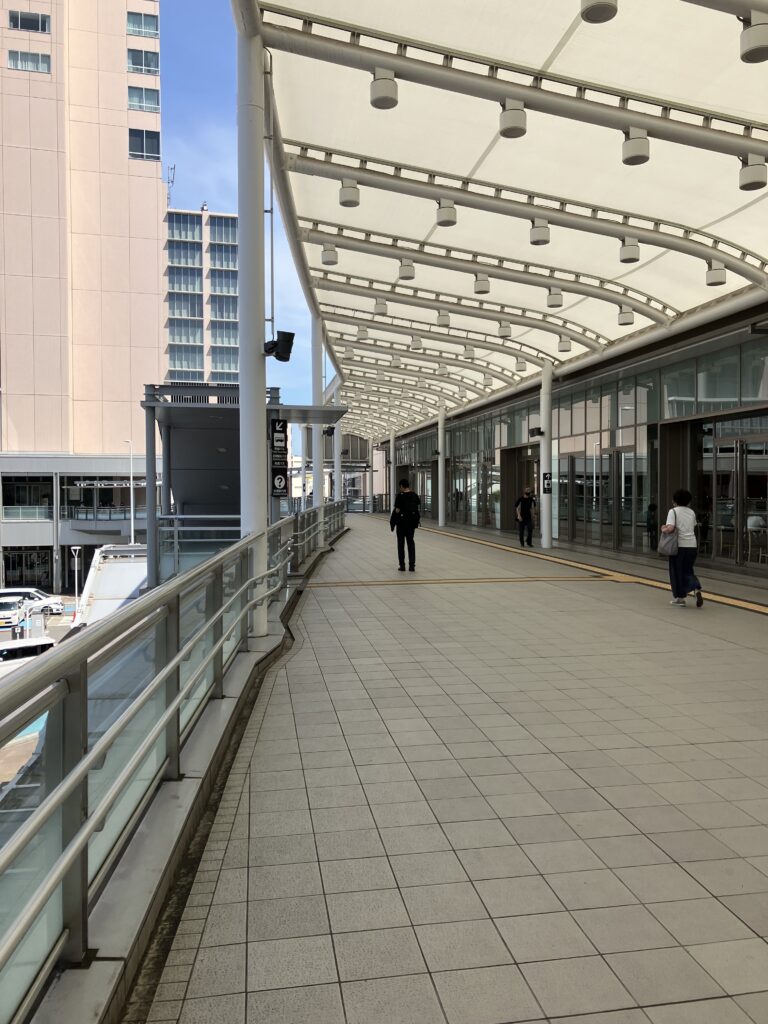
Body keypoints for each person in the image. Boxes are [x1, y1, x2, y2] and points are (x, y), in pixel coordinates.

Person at [661, 488, 703, 608]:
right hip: (692, 546)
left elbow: (670, 528)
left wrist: (663, 528)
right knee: (688, 570)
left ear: (674, 501)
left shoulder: (673, 511)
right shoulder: (691, 512)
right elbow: (692, 526)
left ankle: (681, 597)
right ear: (688, 502)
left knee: (676, 572)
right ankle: (695, 589)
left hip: (678, 547)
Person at [390, 478, 421, 572]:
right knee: (411, 543)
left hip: (401, 524)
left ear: (402, 486)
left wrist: (393, 522)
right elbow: (417, 506)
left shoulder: (400, 496)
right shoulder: (414, 495)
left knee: (401, 544)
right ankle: (412, 566)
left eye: (400, 487)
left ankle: (402, 566)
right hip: (411, 524)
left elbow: (397, 510)